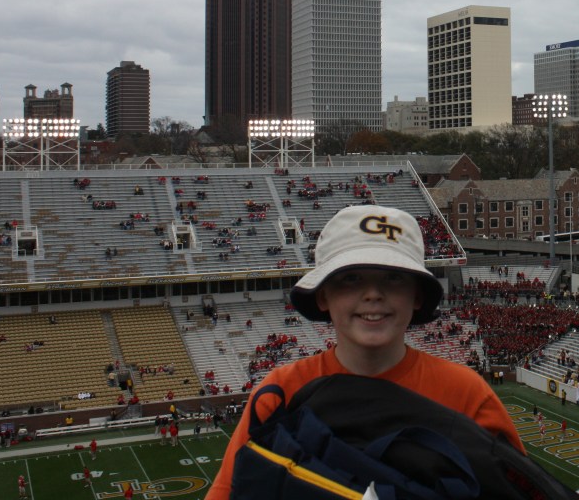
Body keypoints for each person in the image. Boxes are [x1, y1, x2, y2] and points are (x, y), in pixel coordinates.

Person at [206, 205, 524, 500]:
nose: (373, 294)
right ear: (323, 296)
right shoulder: (279, 394)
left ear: (417, 295)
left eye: (393, 277)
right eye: (352, 278)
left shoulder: (468, 395)